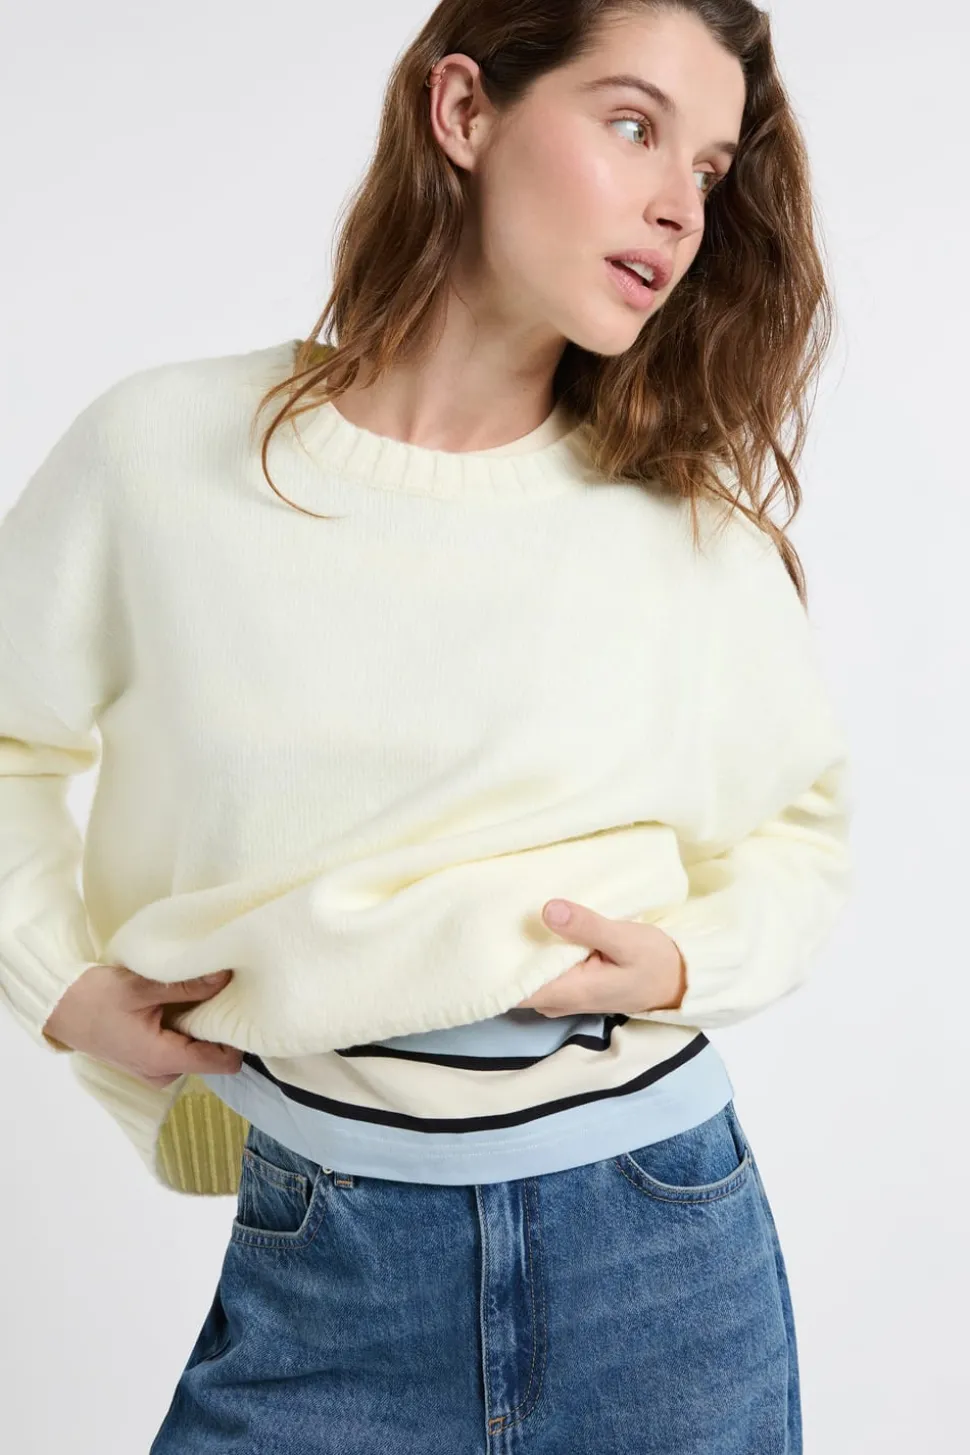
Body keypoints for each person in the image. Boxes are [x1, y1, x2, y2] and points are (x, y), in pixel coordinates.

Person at [0, 1, 854, 1450]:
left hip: (657, 1250)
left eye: (709, 171)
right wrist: (57, 980)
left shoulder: (682, 517)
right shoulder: (161, 454)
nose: (678, 205)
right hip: (323, 1251)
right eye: (633, 124)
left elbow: (798, 826)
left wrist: (684, 959)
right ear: (463, 112)